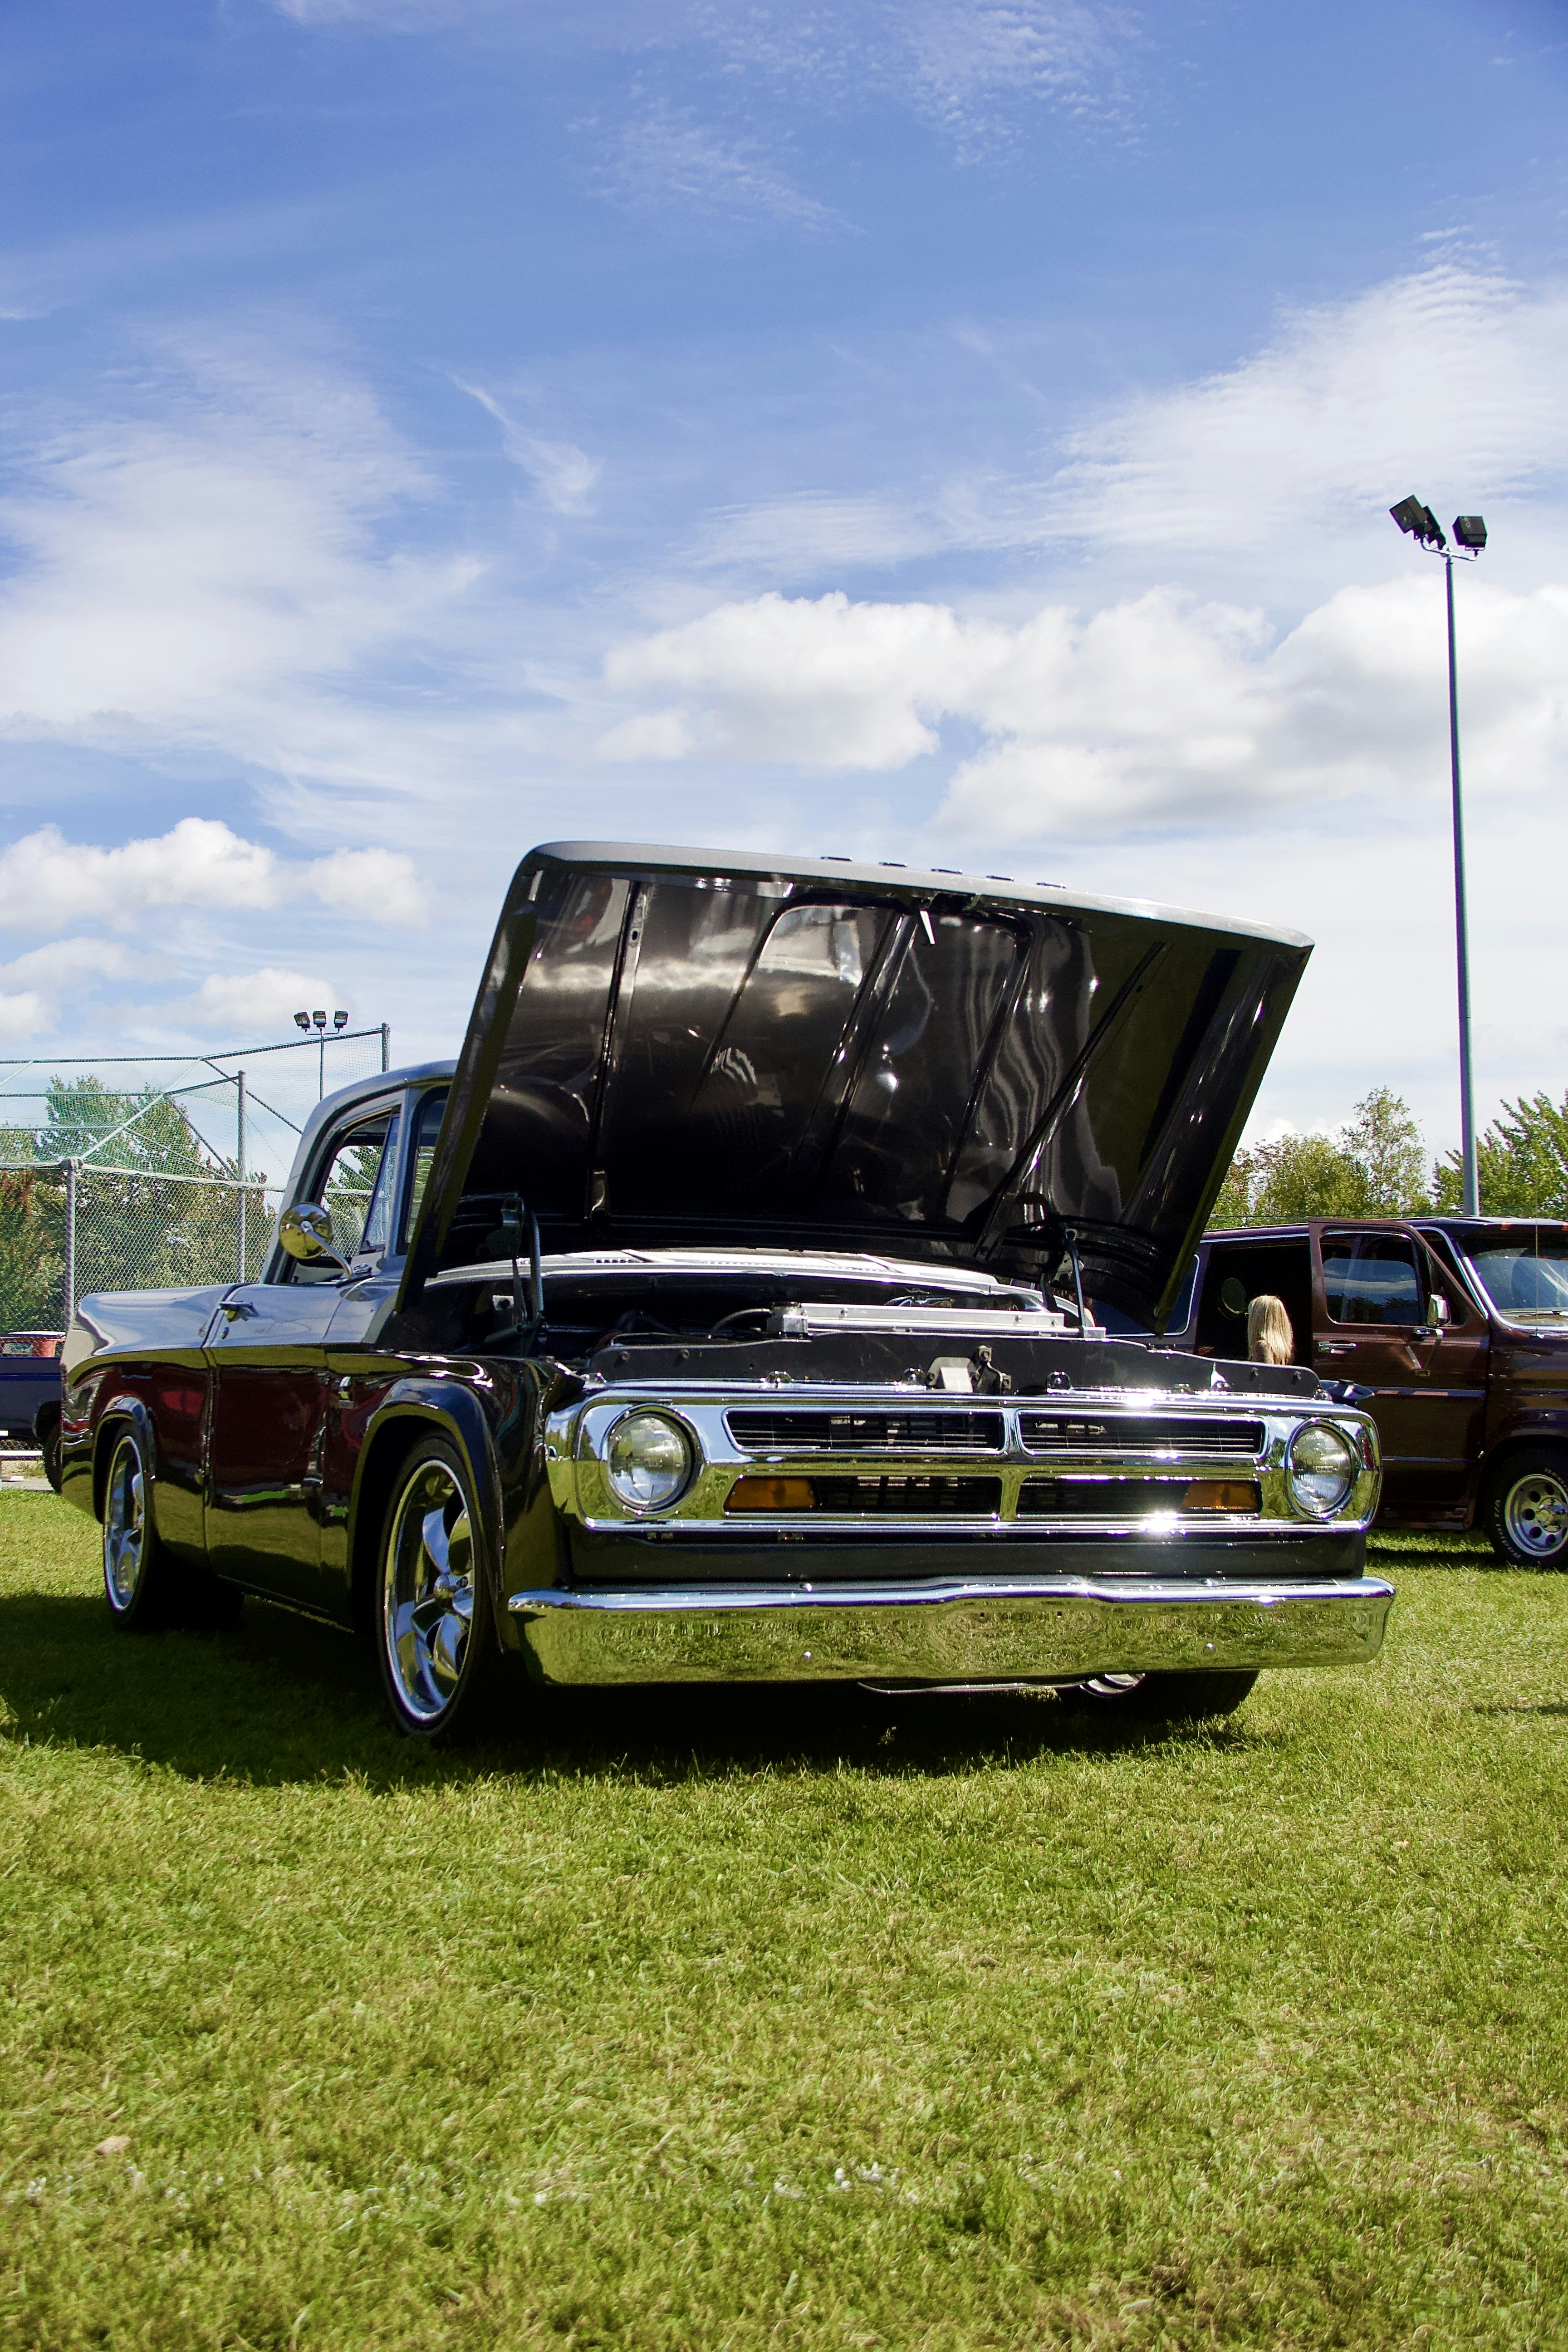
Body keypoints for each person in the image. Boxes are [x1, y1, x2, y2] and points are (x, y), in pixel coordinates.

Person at [1247, 1293, 1293, 1365]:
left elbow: (1266, 1372)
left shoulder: (1262, 1347)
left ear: (1257, 1320)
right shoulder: (1286, 1349)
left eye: (1249, 1316)